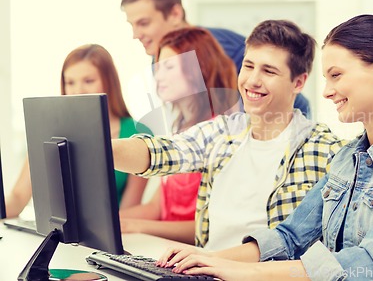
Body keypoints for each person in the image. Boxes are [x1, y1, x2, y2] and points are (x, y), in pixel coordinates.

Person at [158, 15, 373, 281]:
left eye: (336, 75)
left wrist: (239, 272)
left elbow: (367, 264)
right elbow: (289, 237)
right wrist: (211, 259)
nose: (327, 91)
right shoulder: (348, 159)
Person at [111, 20, 345, 250]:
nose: (253, 80)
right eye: (249, 66)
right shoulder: (222, 133)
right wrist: (98, 149)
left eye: (268, 71)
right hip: (204, 270)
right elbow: (160, 152)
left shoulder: (323, 150)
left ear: (299, 82)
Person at [120, 0, 312, 118]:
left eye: (144, 23)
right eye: (132, 25)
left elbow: (297, 104)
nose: (136, 35)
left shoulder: (226, 50)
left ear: (175, 14)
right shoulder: (158, 58)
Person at [119, 27, 239, 244]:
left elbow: (211, 227)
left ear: (199, 68)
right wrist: (111, 221)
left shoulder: (223, 135)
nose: (158, 76)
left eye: (169, 66)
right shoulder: (180, 133)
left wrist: (135, 226)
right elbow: (157, 207)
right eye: (158, 67)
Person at [5, 44, 151, 218]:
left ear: (109, 82)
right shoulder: (48, 130)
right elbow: (18, 197)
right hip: (57, 235)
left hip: (113, 237)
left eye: (88, 81)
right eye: (70, 82)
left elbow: (127, 212)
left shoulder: (138, 132)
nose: (77, 91)